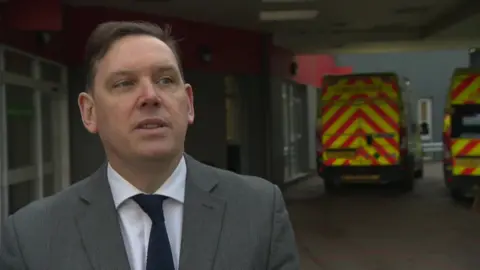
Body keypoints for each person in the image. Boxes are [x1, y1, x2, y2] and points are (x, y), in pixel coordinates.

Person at [0, 21, 300, 270]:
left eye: (165, 80)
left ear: (190, 104)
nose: (150, 96)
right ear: (89, 112)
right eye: (124, 83)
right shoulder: (31, 236)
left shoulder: (259, 211)